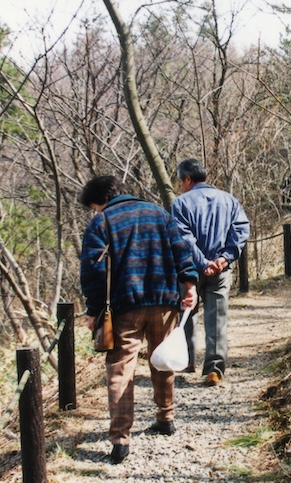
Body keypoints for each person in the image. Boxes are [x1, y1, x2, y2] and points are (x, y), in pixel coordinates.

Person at [79, 175, 198, 465]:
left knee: (120, 369)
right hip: (164, 301)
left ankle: (120, 440)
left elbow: (93, 271)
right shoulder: (159, 213)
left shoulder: (102, 222)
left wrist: (94, 310)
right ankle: (166, 417)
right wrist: (190, 285)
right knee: (162, 359)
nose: (95, 212)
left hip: (124, 307)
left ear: (102, 200)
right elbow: (182, 251)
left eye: (94, 207)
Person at [171, 159, 250, 387]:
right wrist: (224, 258)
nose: (180, 186)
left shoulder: (180, 203)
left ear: (187, 179)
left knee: (187, 311)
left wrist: (203, 262)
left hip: (190, 269)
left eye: (181, 181)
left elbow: (184, 238)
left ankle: (186, 360)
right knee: (217, 316)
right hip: (220, 269)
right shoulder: (229, 200)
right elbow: (241, 230)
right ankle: (214, 368)